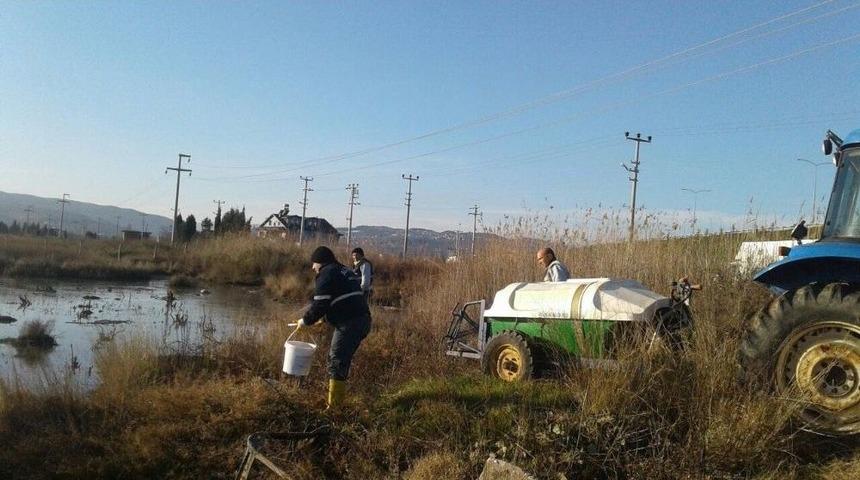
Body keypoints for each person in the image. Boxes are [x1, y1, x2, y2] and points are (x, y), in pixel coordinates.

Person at [297, 246, 371, 409]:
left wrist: (305, 321)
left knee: (336, 359)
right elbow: (342, 298)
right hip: (363, 319)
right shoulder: (343, 270)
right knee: (339, 358)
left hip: (350, 323)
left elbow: (320, 305)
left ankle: (335, 406)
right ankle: (336, 401)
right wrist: (325, 319)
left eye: (314, 263)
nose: (312, 267)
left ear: (320, 262)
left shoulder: (326, 274)